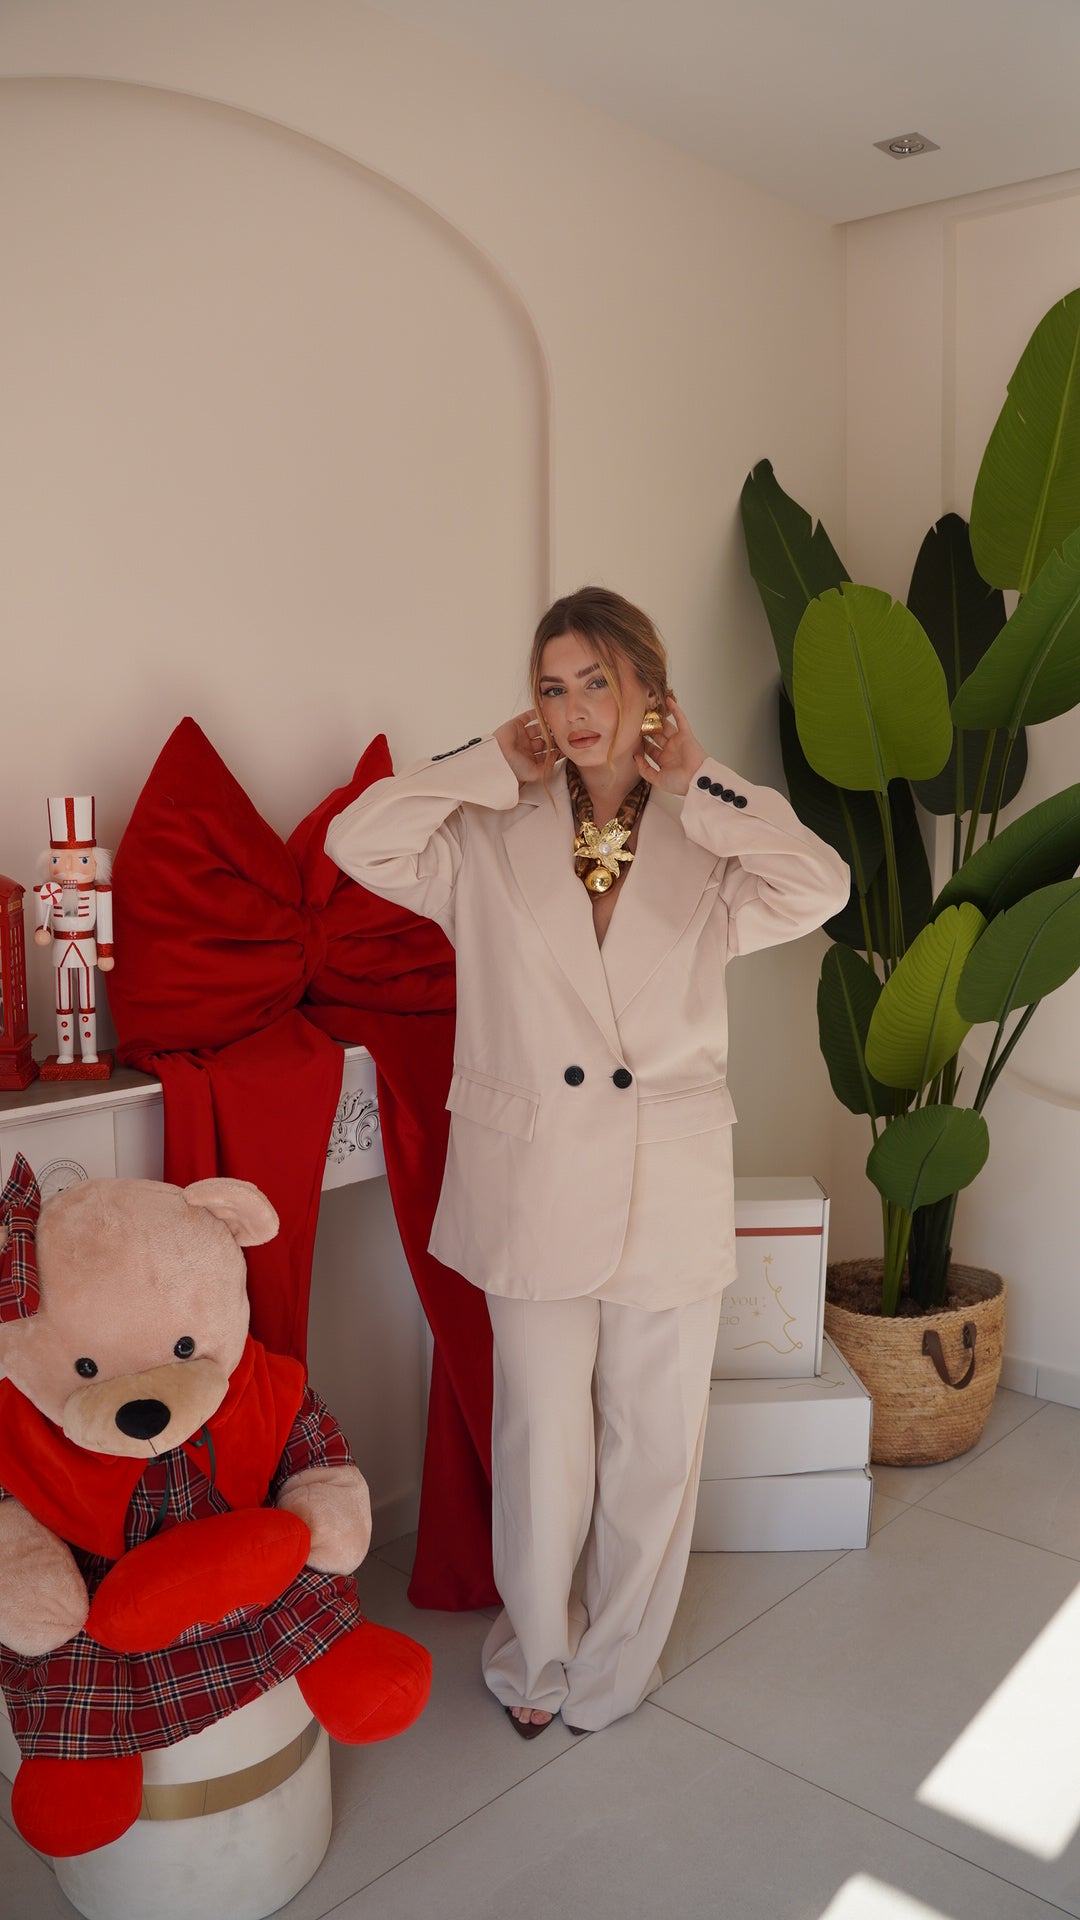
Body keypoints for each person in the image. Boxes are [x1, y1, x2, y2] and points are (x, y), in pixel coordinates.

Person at [325, 586, 849, 1737]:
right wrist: (483, 762)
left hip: (665, 1175)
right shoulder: (485, 836)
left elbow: (822, 886)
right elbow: (357, 841)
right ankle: (537, 1656)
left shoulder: (709, 839)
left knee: (654, 1440)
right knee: (541, 1440)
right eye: (552, 687)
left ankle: (616, 1661)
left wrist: (701, 779)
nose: (573, 709)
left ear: (649, 688)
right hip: (534, 1177)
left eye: (597, 682)